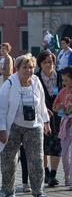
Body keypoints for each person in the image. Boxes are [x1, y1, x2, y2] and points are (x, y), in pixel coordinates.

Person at [0, 53, 52, 197]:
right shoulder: (9, 84)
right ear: (17, 69)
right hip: (13, 127)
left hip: (33, 127)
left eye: (31, 67)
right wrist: (2, 130)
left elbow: (42, 103)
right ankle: (9, 192)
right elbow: (1, 109)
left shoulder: (36, 82)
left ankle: (39, 193)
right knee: (9, 160)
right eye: (25, 67)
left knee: (36, 159)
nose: (28, 70)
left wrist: (45, 121)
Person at [36, 50, 63, 187]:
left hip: (58, 116)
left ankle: (53, 174)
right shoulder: (36, 78)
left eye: (50, 61)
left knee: (57, 145)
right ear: (40, 64)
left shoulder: (60, 77)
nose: (48, 64)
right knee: (43, 145)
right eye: (45, 62)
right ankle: (45, 173)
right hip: (41, 116)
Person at [53, 67, 72, 190]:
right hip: (65, 125)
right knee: (64, 154)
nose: (64, 83)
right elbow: (54, 107)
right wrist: (59, 106)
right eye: (63, 80)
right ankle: (67, 175)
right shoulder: (62, 92)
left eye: (66, 80)